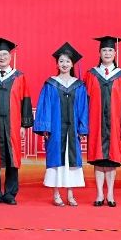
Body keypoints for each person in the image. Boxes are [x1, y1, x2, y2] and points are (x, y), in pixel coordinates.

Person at [0, 37, 34, 205]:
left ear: (11, 56)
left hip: (13, 123)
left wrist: (24, 124)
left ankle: (10, 194)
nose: (2, 58)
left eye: (5, 55)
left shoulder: (19, 77)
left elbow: (25, 100)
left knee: (13, 157)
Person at [34, 43, 89, 206]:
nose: (64, 64)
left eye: (67, 61)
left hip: (72, 130)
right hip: (55, 130)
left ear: (72, 64)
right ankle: (56, 194)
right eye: (61, 61)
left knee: (71, 161)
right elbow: (45, 106)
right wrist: (45, 127)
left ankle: (71, 194)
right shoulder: (50, 84)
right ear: (57, 64)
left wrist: (82, 128)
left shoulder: (79, 86)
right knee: (56, 160)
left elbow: (83, 108)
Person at [84, 36, 121, 208]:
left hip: (115, 123)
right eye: (104, 50)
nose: (107, 53)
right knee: (99, 159)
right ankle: (99, 193)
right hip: (95, 122)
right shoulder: (91, 74)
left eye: (110, 50)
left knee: (112, 159)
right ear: (99, 53)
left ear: (115, 53)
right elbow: (85, 101)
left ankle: (111, 193)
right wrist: (84, 124)